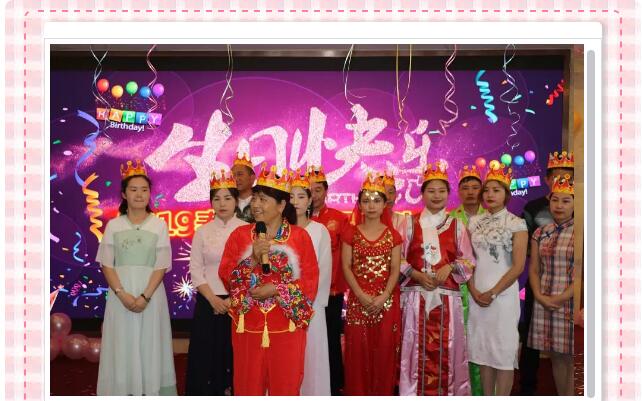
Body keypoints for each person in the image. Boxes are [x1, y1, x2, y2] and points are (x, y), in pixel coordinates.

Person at [218, 164, 319, 396]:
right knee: (247, 386)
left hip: (286, 327)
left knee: (286, 386)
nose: (256, 205)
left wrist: (277, 289)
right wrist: (252, 259)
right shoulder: (240, 236)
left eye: (263, 200)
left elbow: (310, 283)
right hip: (248, 327)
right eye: (255, 198)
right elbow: (227, 277)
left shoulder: (300, 237)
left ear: (282, 205)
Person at [95, 160, 177, 396]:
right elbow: (107, 264)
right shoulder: (114, 225)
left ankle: (150, 390)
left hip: (151, 295)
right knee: (123, 342)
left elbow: (161, 265)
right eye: (133, 189)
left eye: (144, 189)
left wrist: (144, 297)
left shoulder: (159, 225)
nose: (139, 194)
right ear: (124, 194)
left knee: (150, 343)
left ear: (150, 193)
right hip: (121, 295)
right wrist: (122, 294)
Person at [401, 162, 475, 396]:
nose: (436, 195)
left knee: (449, 351)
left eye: (441, 191)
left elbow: (469, 261)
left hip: (447, 301)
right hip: (416, 299)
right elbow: (397, 259)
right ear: (422, 194)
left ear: (448, 194)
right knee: (415, 351)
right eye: (431, 191)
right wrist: (415, 274)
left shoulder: (457, 225)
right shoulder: (409, 224)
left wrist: (451, 266)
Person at [467, 164, 528, 396]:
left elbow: (518, 266)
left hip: (502, 298)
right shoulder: (473, 223)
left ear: (506, 194)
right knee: (483, 353)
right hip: (477, 296)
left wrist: (493, 292)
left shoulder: (516, 223)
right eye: (487, 190)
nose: (490, 194)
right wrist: (473, 291)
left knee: (503, 354)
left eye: (496, 190)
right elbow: (467, 261)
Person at [185, 169, 247, 395]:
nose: (222, 204)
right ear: (211, 202)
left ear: (236, 200)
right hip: (208, 302)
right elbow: (196, 269)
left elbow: (250, 269)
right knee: (205, 356)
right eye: (217, 199)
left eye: (227, 198)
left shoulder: (246, 230)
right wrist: (213, 299)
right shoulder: (202, 232)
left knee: (234, 355)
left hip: (238, 303)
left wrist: (232, 299)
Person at [519, 151, 575, 395]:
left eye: (566, 201)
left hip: (570, 296)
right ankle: (531, 390)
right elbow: (532, 262)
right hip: (541, 290)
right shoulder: (536, 218)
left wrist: (562, 296)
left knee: (572, 355)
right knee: (548, 351)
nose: (559, 205)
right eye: (555, 200)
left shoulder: (582, 225)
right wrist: (541, 295)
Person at [341, 173, 402, 396]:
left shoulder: (393, 235)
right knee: (357, 353)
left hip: (386, 303)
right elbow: (346, 266)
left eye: (377, 200)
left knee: (384, 352)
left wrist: (384, 296)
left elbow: (395, 269)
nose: (371, 205)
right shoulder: (351, 233)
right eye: (366, 200)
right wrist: (360, 295)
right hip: (358, 302)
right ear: (359, 205)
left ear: (385, 204)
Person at [290, 169, 333, 396]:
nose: (295, 201)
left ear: (309, 200)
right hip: (283, 304)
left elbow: (324, 270)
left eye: (301, 196)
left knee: (312, 355)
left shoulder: (319, 231)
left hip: (311, 305)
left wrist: (308, 300)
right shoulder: (280, 230)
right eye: (291, 196)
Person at [309, 165, 349, 395]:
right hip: (303, 292)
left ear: (326, 191)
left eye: (318, 190)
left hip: (331, 291)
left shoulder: (339, 219)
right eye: (309, 191)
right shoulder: (295, 220)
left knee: (331, 338)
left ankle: (333, 388)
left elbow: (347, 256)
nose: (314, 195)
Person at [449, 164, 486, 396]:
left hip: (486, 286)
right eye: (465, 187)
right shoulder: (450, 219)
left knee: (482, 341)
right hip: (460, 287)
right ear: (458, 191)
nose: (471, 192)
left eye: (475, 187)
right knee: (461, 341)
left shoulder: (491, 217)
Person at [232, 151, 257, 223]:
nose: (236, 179)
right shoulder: (228, 201)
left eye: (240, 174)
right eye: (233, 175)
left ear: (252, 178)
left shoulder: (260, 201)